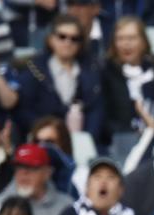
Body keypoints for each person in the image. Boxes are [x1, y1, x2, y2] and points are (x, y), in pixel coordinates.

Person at [16, 14, 103, 146]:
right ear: (51, 39)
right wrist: (48, 132)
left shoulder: (92, 71)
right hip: (42, 141)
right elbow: (24, 110)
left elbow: (96, 110)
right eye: (62, 36)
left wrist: (87, 138)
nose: (68, 42)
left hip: (82, 142)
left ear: (81, 43)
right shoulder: (34, 69)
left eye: (74, 38)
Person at [101, 16, 154, 155]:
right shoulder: (106, 72)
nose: (126, 44)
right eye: (120, 39)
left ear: (143, 41)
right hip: (122, 141)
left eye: (131, 38)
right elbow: (105, 119)